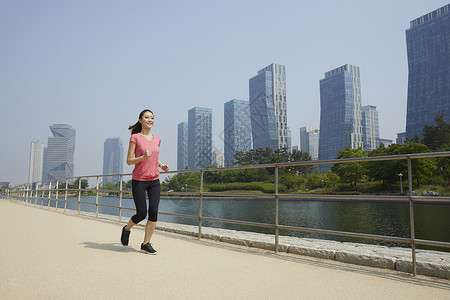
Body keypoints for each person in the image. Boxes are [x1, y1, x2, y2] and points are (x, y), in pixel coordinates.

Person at [120, 109, 169, 255]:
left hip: (154, 180)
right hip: (139, 180)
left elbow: (153, 156)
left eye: (152, 118)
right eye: (147, 117)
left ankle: (145, 244)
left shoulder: (157, 139)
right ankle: (127, 229)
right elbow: (129, 161)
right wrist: (142, 157)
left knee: (153, 212)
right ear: (140, 120)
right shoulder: (135, 138)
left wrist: (161, 165)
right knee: (141, 213)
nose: (150, 120)